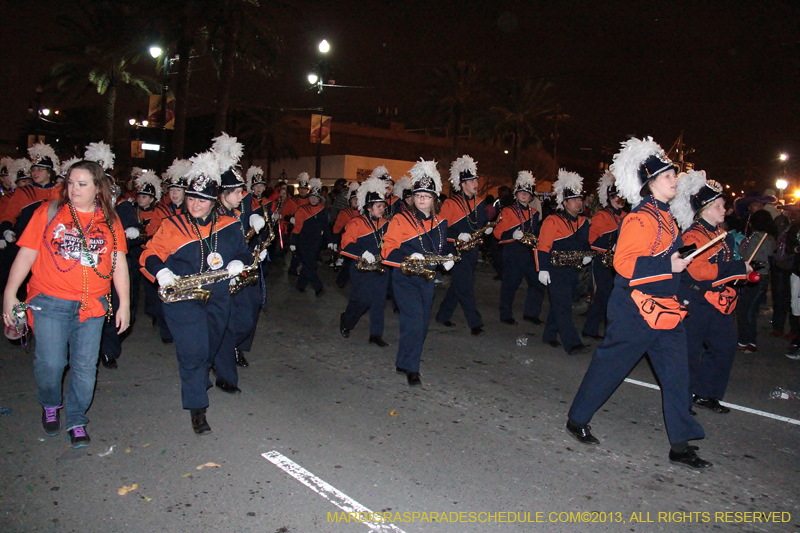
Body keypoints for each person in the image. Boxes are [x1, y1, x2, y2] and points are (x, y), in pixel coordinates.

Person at [567, 137, 710, 469]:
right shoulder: (639, 218)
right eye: (668, 177)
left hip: (665, 310)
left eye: (674, 176)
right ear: (651, 184)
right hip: (635, 310)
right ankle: (577, 418)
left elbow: (665, 260)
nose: (675, 181)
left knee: (677, 376)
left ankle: (680, 444)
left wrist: (678, 268)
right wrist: (667, 265)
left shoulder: (667, 217)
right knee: (610, 368)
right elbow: (624, 264)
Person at [3, 160, 130, 448]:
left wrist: (124, 304)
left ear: (98, 188)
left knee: (85, 367)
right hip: (49, 301)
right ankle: (50, 403)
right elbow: (25, 255)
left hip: (93, 305)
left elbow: (118, 263)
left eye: (82, 184)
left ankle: (76, 418)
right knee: (51, 363)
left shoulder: (110, 220)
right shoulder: (49, 212)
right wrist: (10, 294)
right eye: (70, 182)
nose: (74, 189)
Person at [140, 150, 251, 435]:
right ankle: (197, 409)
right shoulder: (171, 225)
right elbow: (150, 255)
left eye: (201, 199)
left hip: (218, 296)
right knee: (193, 352)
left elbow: (243, 252)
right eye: (191, 198)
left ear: (213, 201)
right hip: (183, 298)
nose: (194, 204)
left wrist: (240, 261)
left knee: (209, 347)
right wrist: (161, 272)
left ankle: (199, 374)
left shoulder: (229, 225)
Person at [672, 170, 749, 414]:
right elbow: (696, 270)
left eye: (723, 205)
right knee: (689, 353)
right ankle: (682, 399)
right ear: (704, 209)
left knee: (725, 346)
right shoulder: (692, 235)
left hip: (716, 302)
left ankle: (706, 394)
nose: (724, 209)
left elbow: (723, 268)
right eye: (719, 205)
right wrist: (736, 269)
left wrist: (739, 277)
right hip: (694, 300)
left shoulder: (721, 235)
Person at [381, 159, 453, 386]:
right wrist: (407, 258)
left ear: (434, 199)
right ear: (413, 197)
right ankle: (412, 369)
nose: (422, 199)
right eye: (419, 195)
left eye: (427, 196)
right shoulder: (402, 218)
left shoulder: (441, 222)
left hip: (427, 279)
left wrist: (448, 257)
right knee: (413, 322)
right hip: (405, 278)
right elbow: (387, 249)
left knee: (421, 325)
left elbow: (441, 247)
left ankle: (403, 361)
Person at [99, 170, 160, 369]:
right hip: (90, 269)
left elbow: (135, 229)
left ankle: (109, 350)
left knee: (118, 307)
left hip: (119, 263)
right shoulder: (82, 209)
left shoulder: (122, 206)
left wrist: (133, 231)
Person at [537, 169, 592, 354]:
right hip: (555, 269)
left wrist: (586, 254)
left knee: (562, 303)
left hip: (572, 269)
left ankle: (549, 335)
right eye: (574, 199)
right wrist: (542, 269)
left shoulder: (584, 222)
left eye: (580, 199)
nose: (578, 202)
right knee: (563, 307)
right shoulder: (553, 220)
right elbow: (543, 246)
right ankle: (572, 344)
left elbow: (586, 244)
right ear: (565, 202)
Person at [435, 155, 488, 335]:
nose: (475, 183)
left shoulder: (480, 203)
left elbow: (480, 224)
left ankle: (443, 315)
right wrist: (458, 235)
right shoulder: (450, 203)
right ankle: (475, 322)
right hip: (455, 249)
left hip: (472, 250)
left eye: (476, 179)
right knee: (465, 285)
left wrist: (484, 230)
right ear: (463, 183)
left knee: (459, 284)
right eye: (471, 180)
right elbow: (441, 230)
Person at [0, 145, 61, 289]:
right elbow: (9, 215)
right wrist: (6, 230)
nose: (35, 173)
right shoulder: (23, 192)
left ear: (49, 173)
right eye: (33, 169)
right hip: (26, 243)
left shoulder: (60, 191)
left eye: (40, 169)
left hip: (51, 245)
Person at [339, 176, 390, 346]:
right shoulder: (357, 223)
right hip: (361, 268)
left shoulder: (386, 223)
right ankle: (347, 319)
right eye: (378, 206)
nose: (382, 209)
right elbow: (345, 244)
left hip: (380, 267)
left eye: (383, 206)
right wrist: (362, 253)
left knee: (379, 301)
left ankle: (376, 335)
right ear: (369, 208)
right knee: (361, 299)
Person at [146, 159, 189, 344]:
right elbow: (151, 233)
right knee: (164, 295)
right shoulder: (161, 210)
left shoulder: (190, 210)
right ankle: (166, 331)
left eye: (178, 190)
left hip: (184, 257)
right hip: (165, 257)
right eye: (171, 190)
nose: (174, 194)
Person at [493, 171, 543, 325]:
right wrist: (511, 234)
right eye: (521, 192)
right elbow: (497, 232)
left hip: (529, 253)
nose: (524, 195)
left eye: (527, 193)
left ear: (531, 196)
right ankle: (505, 314)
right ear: (515, 194)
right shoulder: (507, 211)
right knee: (510, 285)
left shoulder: (534, 213)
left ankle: (531, 313)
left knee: (537, 283)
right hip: (513, 252)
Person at [582, 171, 627, 340]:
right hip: (602, 260)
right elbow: (592, 241)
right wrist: (613, 238)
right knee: (607, 295)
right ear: (609, 197)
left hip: (619, 262)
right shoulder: (601, 215)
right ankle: (611, 333)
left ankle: (590, 328)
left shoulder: (625, 216)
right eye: (616, 196)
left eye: (622, 196)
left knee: (603, 296)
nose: (619, 200)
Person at [736, 209, 777, 353]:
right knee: (750, 309)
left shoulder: (756, 237)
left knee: (745, 309)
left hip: (754, 275)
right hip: (764, 276)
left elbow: (746, 255)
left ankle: (747, 341)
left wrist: (742, 245)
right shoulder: (769, 238)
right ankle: (747, 340)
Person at [290, 178, 331, 296]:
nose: (313, 199)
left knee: (310, 264)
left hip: (317, 241)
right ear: (309, 198)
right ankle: (318, 286)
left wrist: (330, 240)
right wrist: (293, 242)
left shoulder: (323, 210)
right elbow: (297, 227)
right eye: (311, 197)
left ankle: (301, 284)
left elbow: (325, 226)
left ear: (319, 198)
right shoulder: (302, 210)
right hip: (303, 241)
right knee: (310, 264)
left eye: (316, 197)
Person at [332, 182, 360, 287]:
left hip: (359, 241)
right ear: (350, 201)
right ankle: (342, 281)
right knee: (349, 263)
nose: (356, 202)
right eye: (354, 200)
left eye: (358, 200)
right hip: (347, 241)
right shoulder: (344, 212)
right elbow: (337, 227)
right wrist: (335, 241)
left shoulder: (363, 212)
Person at [284, 173, 311, 276]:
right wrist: (291, 219)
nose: (303, 190)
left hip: (307, 230)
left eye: (305, 188)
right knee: (297, 250)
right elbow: (284, 214)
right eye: (301, 188)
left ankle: (297, 268)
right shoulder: (292, 201)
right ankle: (294, 268)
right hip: (295, 229)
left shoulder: (311, 200)